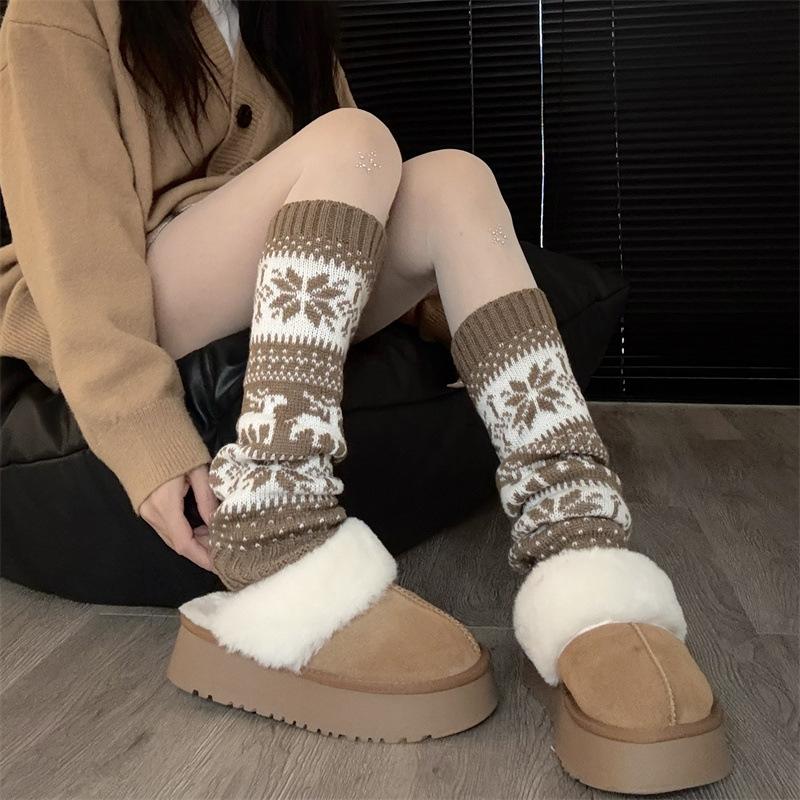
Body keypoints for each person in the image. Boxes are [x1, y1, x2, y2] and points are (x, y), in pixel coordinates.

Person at [0, 0, 730, 792]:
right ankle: (275, 526)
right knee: (355, 141)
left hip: (257, 279)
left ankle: (579, 544)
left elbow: (353, 207)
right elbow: (73, 250)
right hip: (115, 293)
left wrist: (451, 314)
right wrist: (140, 431)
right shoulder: (59, 10)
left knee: (454, 180)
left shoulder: (282, 16)